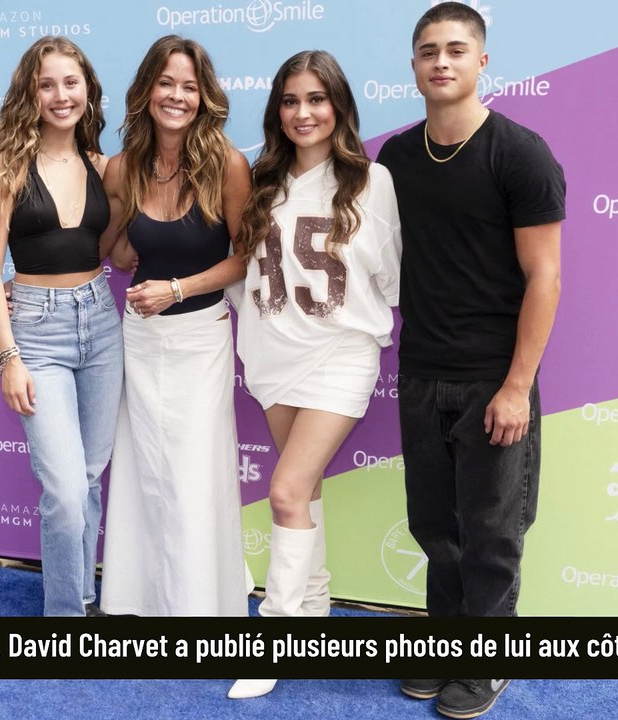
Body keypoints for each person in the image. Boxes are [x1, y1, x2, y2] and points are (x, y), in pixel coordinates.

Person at [376, 3, 566, 717]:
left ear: (482, 61)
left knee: (491, 533)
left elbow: (544, 277)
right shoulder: (395, 157)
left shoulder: (520, 153)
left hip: (495, 376)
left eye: (457, 49)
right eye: (428, 51)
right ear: (415, 65)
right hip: (423, 371)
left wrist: (517, 386)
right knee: (436, 526)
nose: (442, 62)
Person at [227, 50, 402, 700]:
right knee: (305, 494)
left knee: (285, 491)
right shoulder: (261, 178)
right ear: (278, 109)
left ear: (338, 106)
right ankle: (316, 607)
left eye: (316, 99)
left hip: (340, 356)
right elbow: (245, 268)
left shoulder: (370, 181)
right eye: (292, 100)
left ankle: (273, 639)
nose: (304, 112)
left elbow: (391, 275)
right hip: (272, 354)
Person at [96, 36, 253, 617]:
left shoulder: (227, 165)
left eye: (189, 86)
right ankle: (142, 603)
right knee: (142, 476)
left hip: (201, 339)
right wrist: (114, 245)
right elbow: (112, 250)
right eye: (167, 83)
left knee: (191, 475)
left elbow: (245, 258)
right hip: (138, 340)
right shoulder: (126, 167)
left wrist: (178, 288)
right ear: (146, 91)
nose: (177, 96)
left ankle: (199, 607)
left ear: (203, 96)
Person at [0, 37, 122, 618]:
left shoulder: (103, 166)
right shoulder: (5, 166)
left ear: (88, 89)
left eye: (71, 82)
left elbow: (114, 248)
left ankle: (84, 599)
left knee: (87, 478)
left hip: (102, 323)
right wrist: (8, 357)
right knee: (62, 491)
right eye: (47, 84)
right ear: (28, 94)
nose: (61, 95)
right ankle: (64, 620)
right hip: (35, 329)